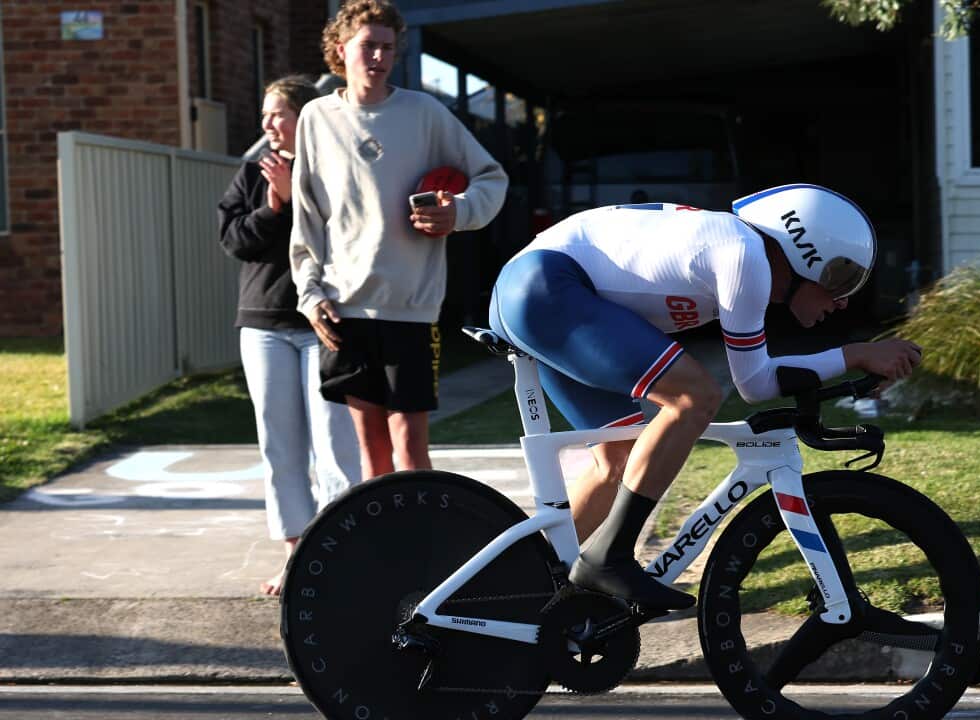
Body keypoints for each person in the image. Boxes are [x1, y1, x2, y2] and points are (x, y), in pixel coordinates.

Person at [488, 185, 923, 610]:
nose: (844, 301)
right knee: (694, 398)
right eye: (841, 277)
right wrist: (857, 354)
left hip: (540, 287)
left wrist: (852, 359)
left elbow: (762, 378)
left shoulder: (738, 247)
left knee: (618, 459)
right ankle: (608, 557)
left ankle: (519, 591)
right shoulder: (745, 256)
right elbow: (754, 385)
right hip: (548, 286)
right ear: (801, 250)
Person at [290, 0, 509, 480]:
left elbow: (491, 177)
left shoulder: (424, 113)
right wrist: (310, 293)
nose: (378, 57)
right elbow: (307, 219)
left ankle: (424, 548)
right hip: (343, 308)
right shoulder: (316, 117)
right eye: (368, 46)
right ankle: (385, 552)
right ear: (341, 48)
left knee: (410, 448)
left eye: (387, 48)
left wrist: (460, 212)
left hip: (410, 308)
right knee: (372, 455)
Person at [218, 74, 362, 596]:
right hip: (262, 326)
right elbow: (234, 240)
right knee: (279, 445)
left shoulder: (336, 167)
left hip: (323, 324)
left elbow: (345, 239)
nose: (267, 125)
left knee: (334, 446)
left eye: (276, 113)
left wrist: (295, 196)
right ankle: (295, 558)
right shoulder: (254, 173)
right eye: (264, 115)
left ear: (307, 115)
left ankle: (342, 552)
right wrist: (274, 205)